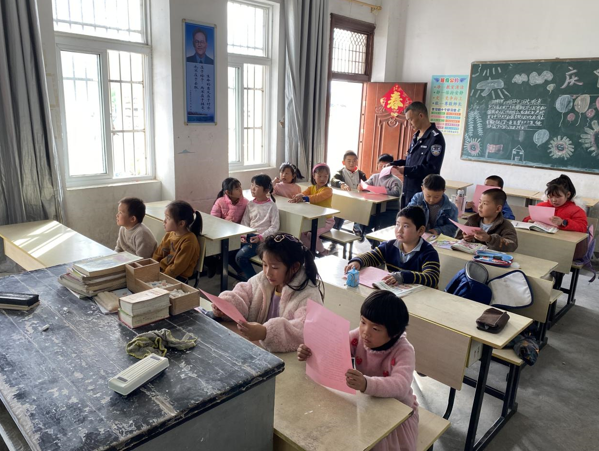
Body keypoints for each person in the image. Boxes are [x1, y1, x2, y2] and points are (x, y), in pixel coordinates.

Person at [297, 291, 418, 451]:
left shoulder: (404, 350)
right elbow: (334, 347)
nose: (365, 331)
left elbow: (401, 386)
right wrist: (311, 351)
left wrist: (367, 384)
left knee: (375, 443)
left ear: (394, 333)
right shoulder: (360, 337)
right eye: (363, 322)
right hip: (366, 402)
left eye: (375, 328)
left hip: (397, 412)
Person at [215, 233, 324, 352]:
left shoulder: (309, 295)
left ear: (294, 267)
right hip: (255, 349)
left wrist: (266, 333)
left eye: (275, 267)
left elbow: (305, 330)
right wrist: (227, 306)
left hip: (284, 358)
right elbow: (243, 294)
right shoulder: (262, 280)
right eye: (264, 264)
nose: (268, 272)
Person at [345, 206, 440, 288]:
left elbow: (432, 278)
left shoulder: (429, 253)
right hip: (398, 293)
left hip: (421, 298)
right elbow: (372, 256)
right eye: (397, 225)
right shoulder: (389, 246)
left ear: (420, 230)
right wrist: (358, 261)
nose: (399, 230)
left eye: (406, 226)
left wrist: (403, 276)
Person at [389, 102, 445, 209]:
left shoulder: (435, 138)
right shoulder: (416, 136)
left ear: (421, 115)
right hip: (407, 190)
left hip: (422, 193)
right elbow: (411, 161)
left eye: (410, 119)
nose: (409, 123)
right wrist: (394, 164)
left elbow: (431, 169)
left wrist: (405, 170)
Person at [236, 174, 280, 280]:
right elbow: (245, 222)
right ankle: (243, 276)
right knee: (227, 252)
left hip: (262, 241)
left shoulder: (271, 206)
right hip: (249, 237)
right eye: (252, 185)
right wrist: (243, 235)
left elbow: (274, 227)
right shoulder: (250, 204)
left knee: (240, 257)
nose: (252, 188)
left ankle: (253, 281)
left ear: (266, 190)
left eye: (256, 186)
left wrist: (260, 237)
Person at [290, 164, 335, 256]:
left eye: (325, 176)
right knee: (300, 232)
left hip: (326, 220)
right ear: (314, 176)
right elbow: (303, 194)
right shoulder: (311, 188)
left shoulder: (328, 190)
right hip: (314, 219)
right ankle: (310, 251)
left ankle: (323, 251)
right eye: (319, 176)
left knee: (311, 234)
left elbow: (316, 198)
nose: (322, 179)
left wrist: (304, 198)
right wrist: (298, 196)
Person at [152, 200, 202, 282]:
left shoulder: (189, 241)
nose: (164, 221)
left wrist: (161, 278)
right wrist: (151, 268)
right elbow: (158, 254)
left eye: (168, 218)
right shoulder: (169, 234)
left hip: (177, 277)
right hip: (163, 272)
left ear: (181, 223)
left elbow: (178, 267)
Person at [355, 154, 403, 234]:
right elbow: (365, 184)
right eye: (380, 166)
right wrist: (361, 186)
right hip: (374, 209)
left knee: (381, 231)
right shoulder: (374, 177)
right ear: (377, 166)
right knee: (361, 223)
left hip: (389, 210)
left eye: (385, 166)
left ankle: (376, 241)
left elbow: (396, 193)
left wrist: (379, 191)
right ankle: (373, 241)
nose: (383, 168)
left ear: (391, 167)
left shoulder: (395, 180)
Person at [523, 174, 587, 232]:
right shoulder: (541, 206)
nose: (554, 200)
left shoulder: (576, 210)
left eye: (558, 197)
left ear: (568, 194)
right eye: (550, 196)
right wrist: (529, 221)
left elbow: (583, 228)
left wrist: (563, 222)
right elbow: (525, 220)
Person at [331, 150, 367, 235]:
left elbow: (367, 183)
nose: (352, 163)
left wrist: (363, 186)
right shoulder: (340, 173)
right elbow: (333, 180)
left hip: (358, 200)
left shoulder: (361, 174)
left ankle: (357, 228)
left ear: (357, 162)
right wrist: (341, 184)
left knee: (362, 214)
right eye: (349, 161)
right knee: (339, 217)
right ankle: (335, 232)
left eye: (354, 161)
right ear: (343, 162)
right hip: (344, 201)